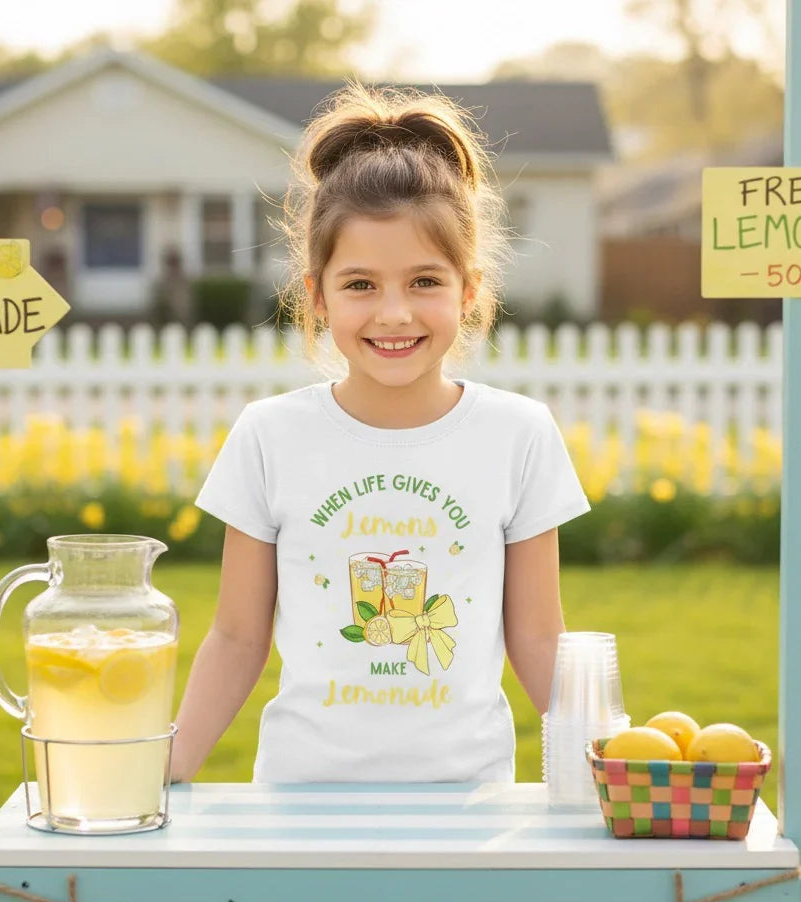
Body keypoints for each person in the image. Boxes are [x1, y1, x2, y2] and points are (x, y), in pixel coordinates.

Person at [171, 80, 590, 784]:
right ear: (316, 295)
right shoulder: (269, 435)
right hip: (302, 803)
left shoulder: (519, 434)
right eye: (361, 285)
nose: (394, 313)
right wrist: (165, 768)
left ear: (468, 289)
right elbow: (238, 637)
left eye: (424, 281)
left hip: (468, 807)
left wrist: (610, 769)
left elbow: (539, 637)